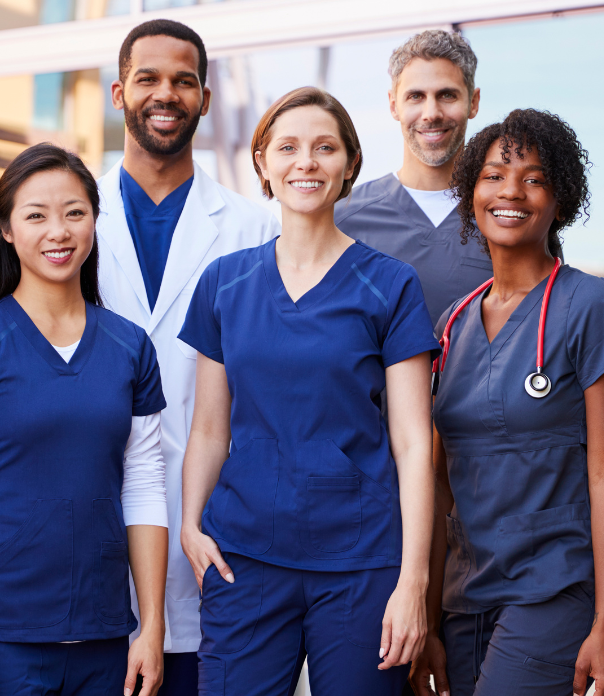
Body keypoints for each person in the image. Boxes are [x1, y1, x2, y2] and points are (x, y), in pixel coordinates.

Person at [179, 87, 440, 696]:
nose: (307, 162)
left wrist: (412, 582)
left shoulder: (390, 286)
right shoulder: (224, 283)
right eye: (288, 147)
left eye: (325, 148)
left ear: (349, 164)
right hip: (244, 557)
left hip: (362, 562)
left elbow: (411, 443)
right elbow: (210, 428)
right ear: (263, 163)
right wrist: (191, 525)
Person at [0, 143, 169, 696]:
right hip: (3, 642)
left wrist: (151, 627)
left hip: (107, 640)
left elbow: (146, 489)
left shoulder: (130, 347)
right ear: (6, 229)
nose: (58, 231)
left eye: (74, 213)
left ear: (94, 221)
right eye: (36, 215)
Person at [98, 18, 280, 695]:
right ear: (119, 92)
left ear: (204, 97)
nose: (164, 93)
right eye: (148, 78)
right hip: (90, 530)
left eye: (183, 81)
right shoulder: (69, 214)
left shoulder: (255, 228)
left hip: (221, 536)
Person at [410, 110, 604, 696]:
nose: (511, 192)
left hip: (553, 586)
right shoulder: (453, 323)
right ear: (472, 190)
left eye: (533, 178)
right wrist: (426, 615)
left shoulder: (588, 305)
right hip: (466, 595)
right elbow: (440, 479)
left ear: (560, 198)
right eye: (495, 175)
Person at [335, 30, 492, 326]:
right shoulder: (342, 221)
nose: (431, 113)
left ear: (474, 102)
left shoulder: (508, 215)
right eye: (416, 96)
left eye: (447, 95)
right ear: (394, 105)